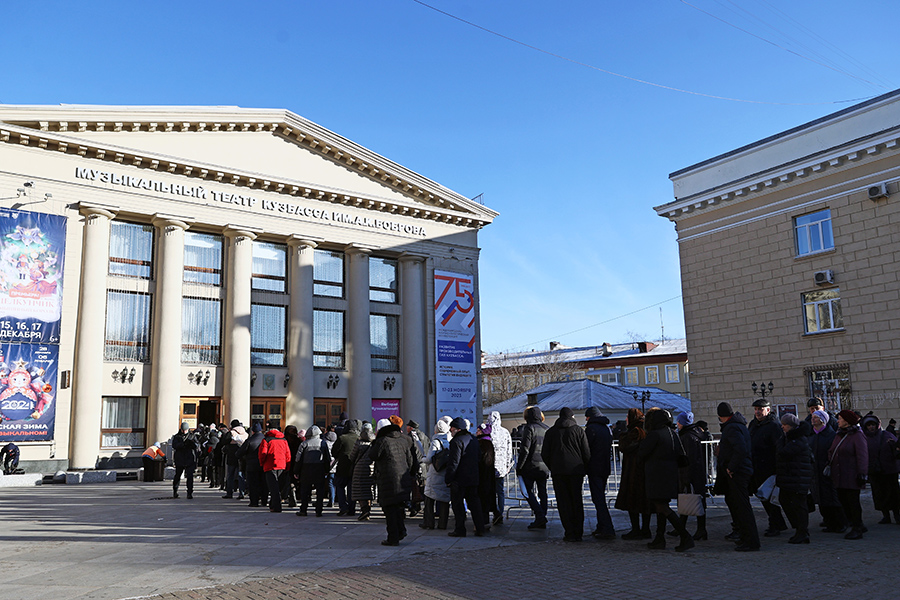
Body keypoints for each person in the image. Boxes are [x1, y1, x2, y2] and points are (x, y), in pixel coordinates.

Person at [638, 408, 693, 552]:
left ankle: (685, 536)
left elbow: (642, 453)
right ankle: (659, 538)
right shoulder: (672, 433)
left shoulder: (655, 434)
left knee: (662, 507)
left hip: (657, 475)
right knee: (661, 507)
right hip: (670, 475)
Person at [715, 402, 759, 551]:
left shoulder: (732, 428)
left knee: (742, 507)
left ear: (721, 416)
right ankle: (746, 538)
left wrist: (730, 467)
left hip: (738, 471)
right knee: (741, 506)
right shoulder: (738, 425)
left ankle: (750, 540)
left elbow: (740, 449)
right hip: (742, 470)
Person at [541, 407, 591, 542]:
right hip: (576, 471)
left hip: (558, 471)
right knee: (576, 500)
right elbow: (586, 452)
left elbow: (544, 453)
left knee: (563, 502)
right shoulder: (578, 430)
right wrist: (584, 467)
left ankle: (569, 531)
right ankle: (578, 531)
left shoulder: (551, 432)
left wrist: (553, 466)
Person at [368, 417, 418, 546]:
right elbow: (411, 460)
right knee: (398, 507)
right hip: (403, 478)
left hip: (388, 479)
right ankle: (401, 530)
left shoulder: (383, 441)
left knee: (389, 509)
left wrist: (375, 441)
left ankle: (393, 537)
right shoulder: (405, 440)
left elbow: (372, 455)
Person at [748, 398, 789, 537]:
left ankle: (775, 524)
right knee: (764, 498)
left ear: (768, 410)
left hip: (769, 467)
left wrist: (778, 468)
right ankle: (778, 523)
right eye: (756, 409)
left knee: (771, 499)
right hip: (756, 466)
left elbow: (778, 447)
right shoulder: (753, 424)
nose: (758, 412)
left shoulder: (774, 426)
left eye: (760, 409)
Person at [672, 410, 712, 541]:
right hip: (697, 473)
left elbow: (689, 459)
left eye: (679, 421)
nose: (677, 424)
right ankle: (682, 527)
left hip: (691, 473)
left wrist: (686, 476)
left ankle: (700, 529)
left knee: (692, 500)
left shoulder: (688, 436)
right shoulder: (695, 433)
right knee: (689, 499)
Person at [829, 410, 869, 539]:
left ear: (846, 421)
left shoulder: (857, 435)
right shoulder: (839, 434)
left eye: (840, 418)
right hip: (839, 474)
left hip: (852, 475)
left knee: (853, 502)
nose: (837, 421)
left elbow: (862, 456)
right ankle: (857, 524)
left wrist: (862, 473)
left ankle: (857, 527)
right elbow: (832, 450)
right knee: (844, 501)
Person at [808, 410, 847, 533]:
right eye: (812, 417)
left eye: (815, 417)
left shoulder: (831, 435)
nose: (812, 419)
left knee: (832, 498)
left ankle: (840, 523)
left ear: (822, 420)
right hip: (816, 472)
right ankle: (829, 523)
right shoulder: (811, 435)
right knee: (821, 499)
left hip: (828, 471)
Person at [776, 414, 813, 544]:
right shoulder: (790, 438)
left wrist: (780, 441)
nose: (782, 427)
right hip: (792, 477)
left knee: (799, 505)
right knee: (786, 501)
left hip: (797, 478)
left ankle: (802, 531)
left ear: (791, 426)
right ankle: (799, 529)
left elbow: (783, 453)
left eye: (785, 425)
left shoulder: (798, 440)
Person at [446, 416, 485, 537]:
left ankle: (460, 529)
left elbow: (454, 462)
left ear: (456, 429)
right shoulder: (473, 439)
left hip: (459, 479)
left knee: (458, 506)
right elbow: (479, 458)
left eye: (451, 428)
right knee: (475, 504)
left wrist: (449, 479)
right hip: (473, 477)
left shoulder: (456, 442)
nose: (450, 430)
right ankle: (480, 528)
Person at [615, 408, 651, 540]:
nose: (625, 419)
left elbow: (624, 446)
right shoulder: (646, 430)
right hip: (643, 470)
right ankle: (645, 529)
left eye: (627, 417)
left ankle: (637, 530)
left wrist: (623, 434)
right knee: (644, 502)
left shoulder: (635, 432)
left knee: (633, 500)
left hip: (634, 471)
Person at [859, 414, 900, 524]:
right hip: (874, 471)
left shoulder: (887, 435)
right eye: (869, 425)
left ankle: (897, 515)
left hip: (890, 470)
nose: (871, 427)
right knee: (879, 494)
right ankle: (885, 515)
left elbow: (896, 450)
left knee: (893, 494)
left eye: (873, 425)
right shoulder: (863, 438)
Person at [516, 406, 550, 530]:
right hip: (544, 467)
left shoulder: (529, 428)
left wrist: (519, 467)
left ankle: (540, 516)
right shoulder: (546, 429)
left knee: (528, 492)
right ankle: (542, 517)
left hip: (530, 466)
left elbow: (525, 450)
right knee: (543, 492)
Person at [584, 407, 615, 540]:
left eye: (586, 417)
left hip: (594, 468)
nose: (585, 419)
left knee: (598, 499)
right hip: (605, 467)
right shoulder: (606, 428)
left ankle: (607, 527)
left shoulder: (591, 429)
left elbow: (586, 449)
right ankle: (601, 526)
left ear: (590, 417)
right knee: (600, 497)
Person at [422, 419, 452, 530]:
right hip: (445, 473)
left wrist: (423, 459)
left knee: (429, 499)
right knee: (444, 500)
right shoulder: (449, 441)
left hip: (435, 474)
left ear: (436, 430)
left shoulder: (435, 442)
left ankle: (429, 523)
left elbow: (429, 459)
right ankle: (442, 524)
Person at [295, 425, 331, 517]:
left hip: (306, 469)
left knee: (305, 491)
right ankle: (319, 510)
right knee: (320, 491)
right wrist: (327, 469)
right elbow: (327, 458)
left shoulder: (304, 443)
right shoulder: (323, 443)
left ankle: (303, 509)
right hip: (319, 468)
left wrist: (296, 471)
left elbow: (298, 459)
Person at [486, 411, 514, 526]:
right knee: (500, 491)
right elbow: (509, 450)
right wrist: (508, 465)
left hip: (488, 466)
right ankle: (500, 512)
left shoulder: (488, 431)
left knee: (488, 491)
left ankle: (492, 512)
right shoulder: (505, 432)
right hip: (501, 467)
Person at [259, 426, 292, 513]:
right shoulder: (284, 440)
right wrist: (287, 466)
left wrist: (262, 463)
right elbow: (288, 454)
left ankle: (277, 507)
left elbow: (263, 453)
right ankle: (273, 504)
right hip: (282, 466)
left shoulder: (266, 440)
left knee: (273, 487)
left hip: (270, 466)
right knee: (278, 487)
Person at [333, 419, 361, 516]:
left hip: (343, 467)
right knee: (351, 489)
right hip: (355, 466)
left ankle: (343, 507)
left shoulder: (342, 438)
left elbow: (334, 451)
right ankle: (351, 509)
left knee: (340, 486)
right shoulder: (358, 438)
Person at [349, 421, 377, 521]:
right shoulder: (374, 442)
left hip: (359, 469)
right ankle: (368, 511)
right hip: (371, 469)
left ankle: (364, 511)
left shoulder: (359, 442)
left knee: (360, 491)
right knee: (369, 490)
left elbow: (352, 456)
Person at [237, 423, 266, 507]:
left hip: (251, 466)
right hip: (263, 465)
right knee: (263, 483)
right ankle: (264, 501)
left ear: (253, 431)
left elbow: (239, 452)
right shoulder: (265, 439)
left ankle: (254, 501)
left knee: (253, 484)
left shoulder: (250, 440)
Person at [475, 423, 496, 530]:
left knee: (481, 499)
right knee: (486, 498)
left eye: (478, 430)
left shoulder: (481, 443)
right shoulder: (489, 443)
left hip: (481, 475)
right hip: (488, 476)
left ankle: (481, 522)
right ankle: (485, 520)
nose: (476, 432)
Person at [171, 422, 198, 499]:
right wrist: (183, 444)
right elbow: (174, 446)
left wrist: (192, 443)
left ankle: (189, 492)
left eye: (185, 430)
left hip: (189, 459)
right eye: (183, 430)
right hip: (180, 459)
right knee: (177, 476)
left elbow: (197, 446)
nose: (184, 431)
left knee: (190, 476)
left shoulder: (192, 436)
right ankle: (175, 491)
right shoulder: (177, 437)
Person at [221, 420, 247, 499]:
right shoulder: (246, 434)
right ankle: (241, 493)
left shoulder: (231, 433)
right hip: (242, 457)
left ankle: (229, 492)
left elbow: (223, 441)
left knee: (230, 475)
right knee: (240, 475)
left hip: (231, 456)